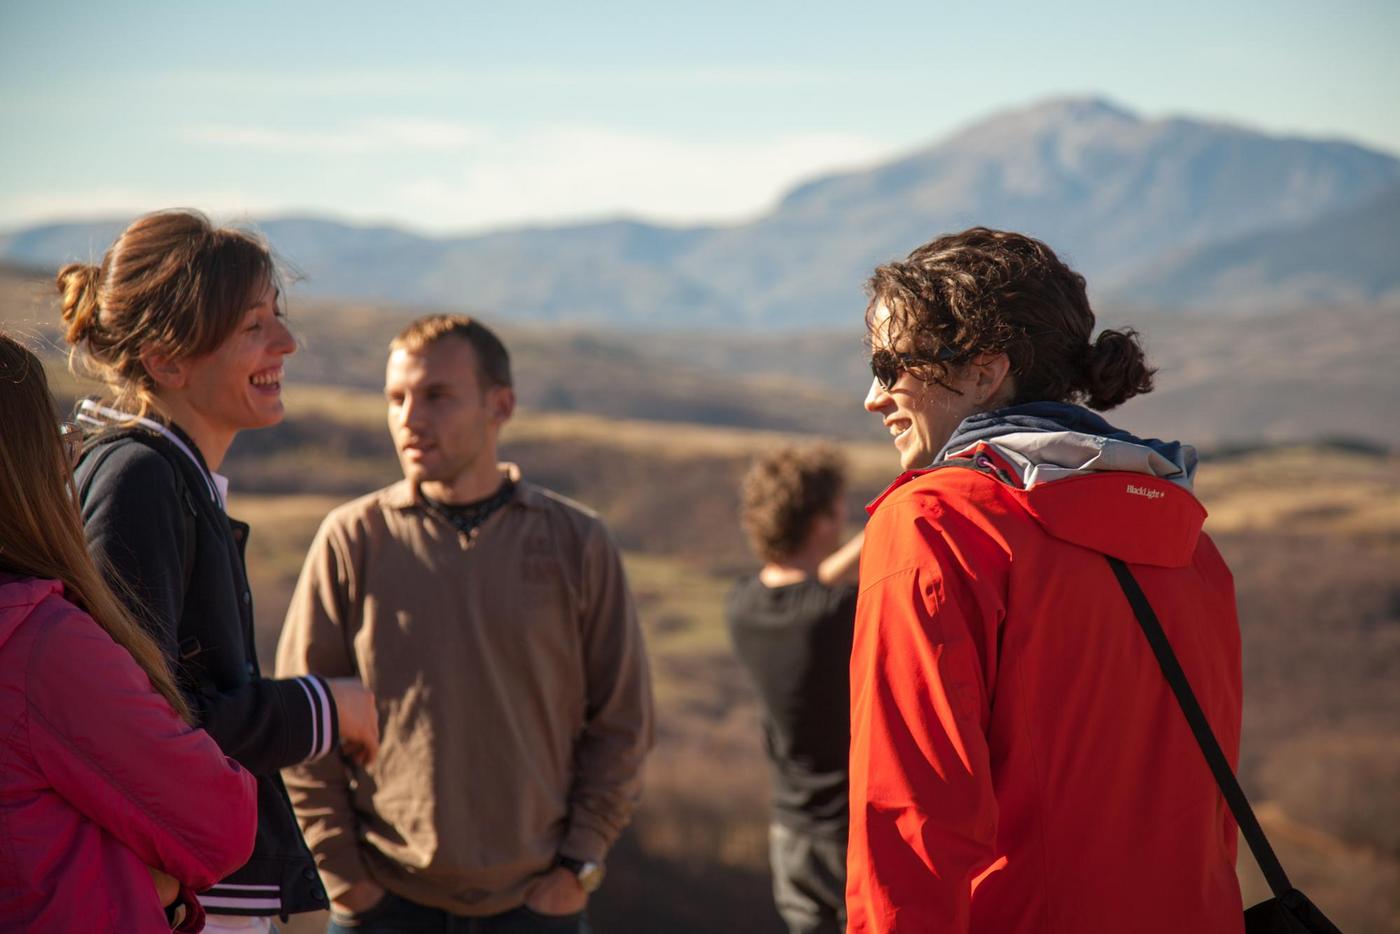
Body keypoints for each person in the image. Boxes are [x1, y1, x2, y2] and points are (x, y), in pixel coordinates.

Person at [848, 228, 1243, 933]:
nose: (874, 398)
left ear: (982, 372)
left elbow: (909, 817)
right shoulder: (1188, 540)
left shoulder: (937, 523)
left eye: (889, 365)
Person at [276, 313, 654, 933]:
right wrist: (344, 876)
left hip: (537, 906)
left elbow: (623, 722)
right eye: (396, 398)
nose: (410, 417)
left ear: (499, 405)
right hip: (385, 905)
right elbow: (300, 719)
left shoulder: (575, 540)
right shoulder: (353, 539)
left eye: (437, 396)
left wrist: (578, 866)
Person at [59, 209, 380, 931]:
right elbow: (144, 727)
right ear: (167, 360)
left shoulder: (171, 477)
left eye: (277, 317)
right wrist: (327, 708)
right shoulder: (141, 479)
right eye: (252, 327)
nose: (288, 343)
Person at [0, 333, 258, 932]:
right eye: (60, 441)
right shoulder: (41, 649)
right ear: (29, 463)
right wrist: (144, 873)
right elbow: (221, 823)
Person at [726, 445, 864, 934]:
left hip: (790, 831)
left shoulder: (742, 605)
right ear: (823, 522)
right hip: (853, 836)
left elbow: (807, 588)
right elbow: (826, 590)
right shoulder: (836, 613)